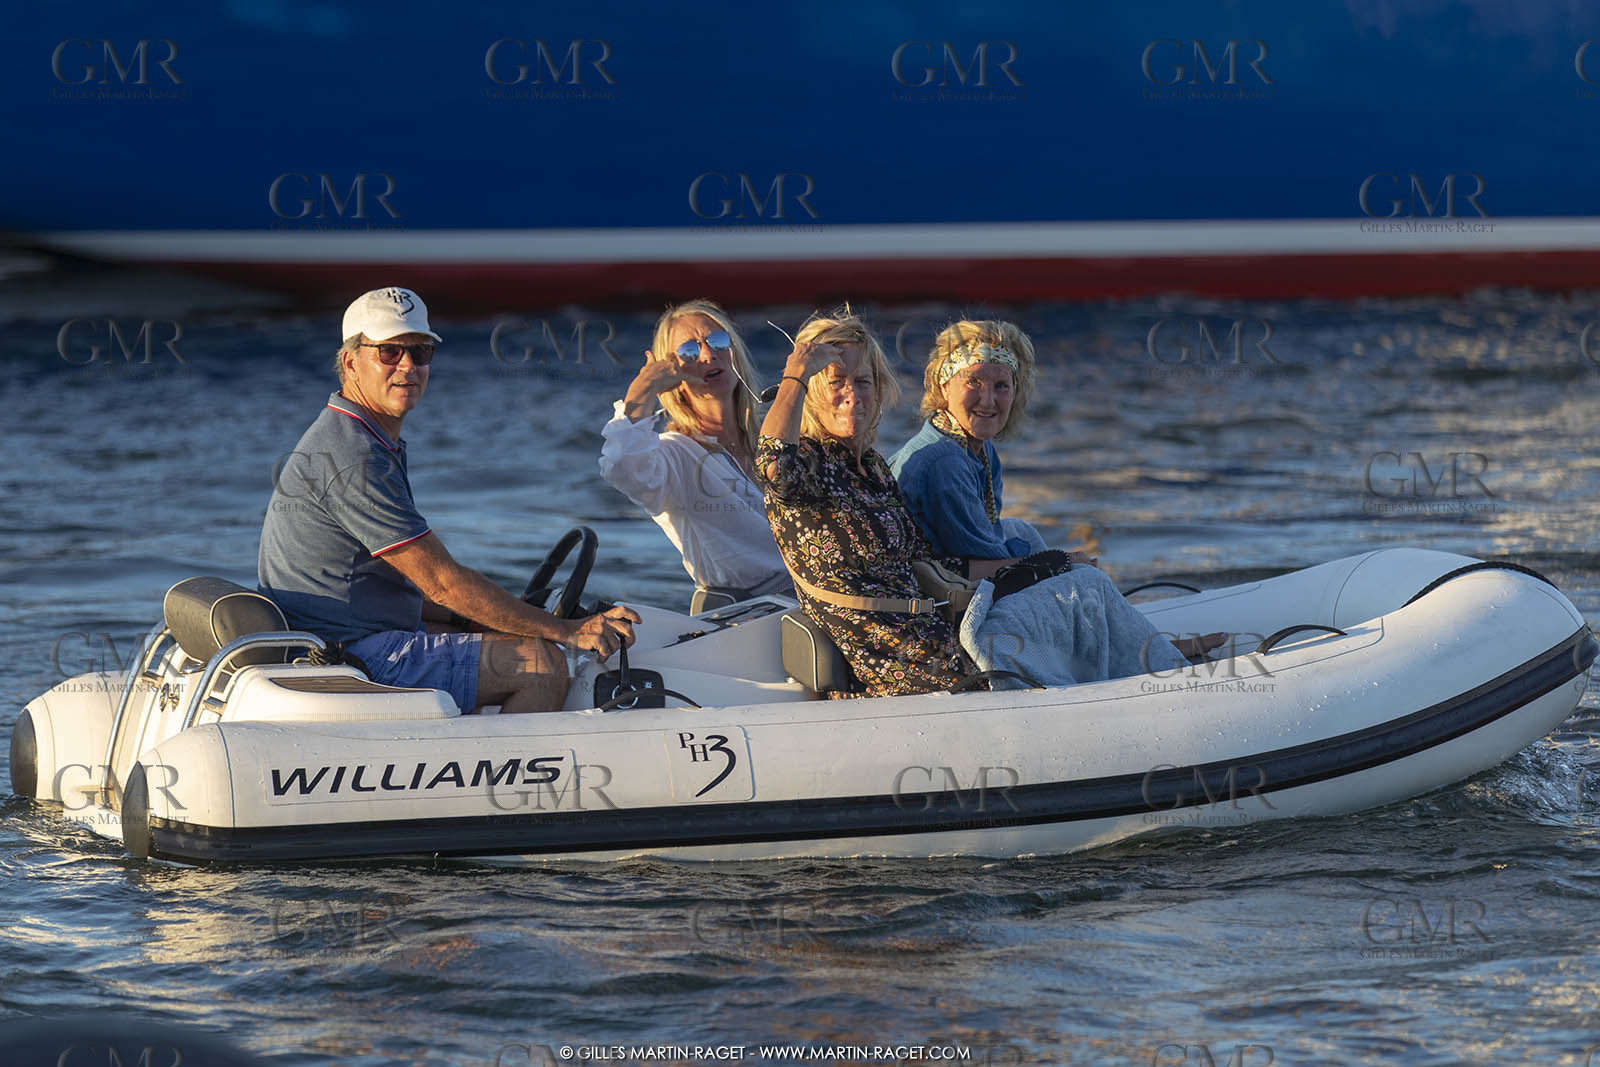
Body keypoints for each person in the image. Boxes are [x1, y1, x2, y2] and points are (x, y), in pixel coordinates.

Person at [756, 308, 1201, 699]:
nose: (852, 392)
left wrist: (1050, 563)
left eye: (863, 381)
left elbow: (932, 561)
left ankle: (1136, 653)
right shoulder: (810, 470)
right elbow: (774, 461)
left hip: (939, 630)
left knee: (1064, 569)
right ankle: (1168, 677)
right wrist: (796, 373)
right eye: (836, 382)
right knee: (1083, 586)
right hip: (910, 662)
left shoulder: (869, 467)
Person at [258, 286, 639, 714]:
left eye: (420, 353)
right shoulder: (355, 455)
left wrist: (480, 619)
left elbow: (398, 583)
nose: (408, 366)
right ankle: (502, 780)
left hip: (353, 631)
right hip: (348, 654)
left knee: (509, 632)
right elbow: (441, 582)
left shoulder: (360, 436)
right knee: (541, 663)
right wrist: (566, 630)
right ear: (350, 362)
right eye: (388, 353)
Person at [599, 299, 790, 612]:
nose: (707, 354)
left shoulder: (772, 437)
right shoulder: (675, 454)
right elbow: (622, 467)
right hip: (754, 615)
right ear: (669, 371)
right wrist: (643, 389)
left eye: (717, 340)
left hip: (813, 597)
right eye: (689, 350)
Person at [890, 319, 1057, 565]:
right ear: (944, 386)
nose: (988, 401)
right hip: (934, 596)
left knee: (1022, 532)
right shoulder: (944, 461)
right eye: (973, 382)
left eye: (1001, 386)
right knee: (1080, 574)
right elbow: (986, 561)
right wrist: (1067, 562)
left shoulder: (981, 449)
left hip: (959, 578)